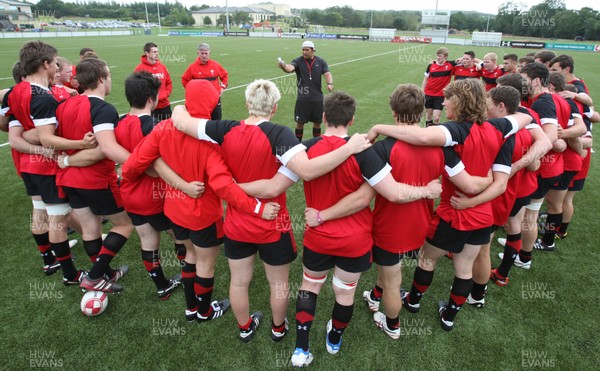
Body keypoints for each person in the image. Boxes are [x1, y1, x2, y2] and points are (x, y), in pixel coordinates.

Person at [172, 79, 371, 344]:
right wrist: (349, 147)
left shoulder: (224, 128)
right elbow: (304, 173)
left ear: (247, 104)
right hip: (272, 224)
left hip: (237, 223)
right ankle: (279, 329)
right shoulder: (281, 135)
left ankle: (245, 328)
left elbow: (181, 120)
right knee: (278, 284)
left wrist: (230, 187)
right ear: (275, 108)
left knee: (239, 281)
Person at [290, 91, 442, 365]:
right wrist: (427, 190)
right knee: (345, 293)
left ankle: (301, 348)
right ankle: (334, 339)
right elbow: (392, 193)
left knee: (309, 287)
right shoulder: (365, 152)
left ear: (324, 117)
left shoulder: (306, 149)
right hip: (354, 239)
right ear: (352, 120)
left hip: (319, 237)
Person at [368, 79, 532, 331]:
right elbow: (524, 118)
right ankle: (450, 316)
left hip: (455, 212)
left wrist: (378, 127)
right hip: (483, 214)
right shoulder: (498, 127)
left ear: (458, 101)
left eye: (447, 98)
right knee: (464, 267)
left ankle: (412, 302)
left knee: (426, 260)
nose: (443, 102)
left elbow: (421, 136)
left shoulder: (454, 131)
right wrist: (485, 183)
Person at [122, 79, 280, 322]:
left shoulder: (162, 128)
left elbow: (132, 167)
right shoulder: (211, 140)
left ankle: (190, 308)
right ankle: (204, 311)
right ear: (213, 102)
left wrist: (157, 168)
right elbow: (223, 186)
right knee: (204, 264)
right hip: (203, 214)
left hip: (174, 210)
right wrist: (257, 207)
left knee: (189, 256)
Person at [6, 41, 85, 284]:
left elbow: (16, 137)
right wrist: (82, 144)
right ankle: (71, 275)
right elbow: (47, 137)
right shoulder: (42, 97)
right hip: (46, 168)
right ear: (45, 64)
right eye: (54, 62)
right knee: (58, 220)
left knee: (40, 213)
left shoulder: (15, 91)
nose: (57, 67)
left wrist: (33, 141)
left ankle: (48, 261)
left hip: (27, 166)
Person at [54, 57, 132, 293]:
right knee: (124, 224)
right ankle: (96, 274)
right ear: (101, 79)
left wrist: (67, 160)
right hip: (96, 180)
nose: (110, 80)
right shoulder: (103, 108)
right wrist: (139, 163)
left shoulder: (64, 105)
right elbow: (104, 150)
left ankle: (104, 273)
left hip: (69, 179)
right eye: (108, 76)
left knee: (90, 229)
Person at [112, 71, 182, 300]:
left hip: (130, 194)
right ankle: (190, 275)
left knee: (148, 240)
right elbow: (157, 167)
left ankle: (162, 285)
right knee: (182, 238)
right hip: (155, 196)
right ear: (152, 99)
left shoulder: (119, 123)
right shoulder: (153, 126)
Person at [278, 40, 334, 140]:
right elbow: (290, 68)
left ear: (313, 50)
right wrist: (283, 66)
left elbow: (327, 73)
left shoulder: (320, 61)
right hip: (303, 98)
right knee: (299, 123)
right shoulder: (298, 61)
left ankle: (316, 143)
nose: (304, 52)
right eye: (303, 50)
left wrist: (329, 83)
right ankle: (297, 144)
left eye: (307, 50)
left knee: (317, 123)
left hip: (317, 99)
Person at [181, 43, 228, 120]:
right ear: (198, 53)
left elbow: (224, 75)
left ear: (209, 53)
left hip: (215, 99)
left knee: (217, 120)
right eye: (202, 53)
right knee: (202, 122)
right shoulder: (193, 67)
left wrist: (223, 87)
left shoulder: (215, 65)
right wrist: (192, 91)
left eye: (206, 53)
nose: (204, 55)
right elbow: (185, 79)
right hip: (200, 101)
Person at [134, 42, 173, 121]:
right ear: (147, 53)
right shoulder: (140, 69)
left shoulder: (162, 66)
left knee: (169, 130)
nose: (157, 54)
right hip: (149, 108)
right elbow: (135, 88)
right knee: (152, 131)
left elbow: (169, 82)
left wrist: (166, 93)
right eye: (154, 52)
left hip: (165, 106)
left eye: (157, 52)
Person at [422, 47, 454, 126]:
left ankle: (438, 132)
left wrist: (477, 64)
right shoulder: (431, 65)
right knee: (429, 115)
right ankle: (429, 132)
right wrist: (422, 90)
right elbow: (425, 79)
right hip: (428, 94)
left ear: (445, 56)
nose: (438, 58)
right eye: (437, 56)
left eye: (440, 56)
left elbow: (464, 60)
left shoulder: (450, 65)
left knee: (436, 117)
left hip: (440, 95)